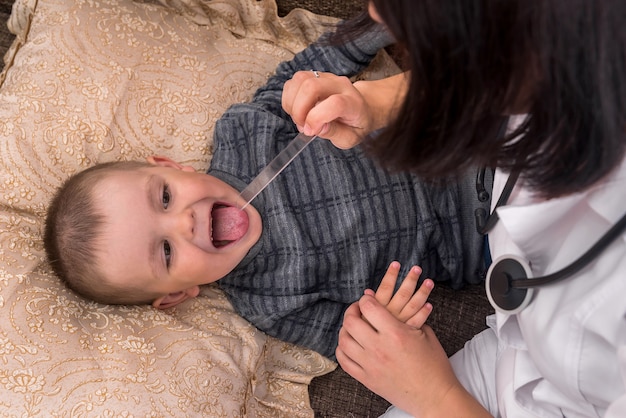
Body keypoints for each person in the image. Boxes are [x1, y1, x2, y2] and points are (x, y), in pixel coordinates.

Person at [43, 26, 489, 359]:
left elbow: (311, 68)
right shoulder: (270, 305)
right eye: (165, 252)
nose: (185, 221)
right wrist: (387, 322)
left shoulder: (242, 133)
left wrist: (379, 26)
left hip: (453, 127)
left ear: (171, 167)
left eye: (164, 198)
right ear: (178, 295)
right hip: (478, 237)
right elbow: (354, 343)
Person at [282, 0, 626, 416]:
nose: (375, 14)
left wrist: (436, 396)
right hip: (514, 355)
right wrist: (373, 104)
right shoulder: (569, 53)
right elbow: (503, 72)